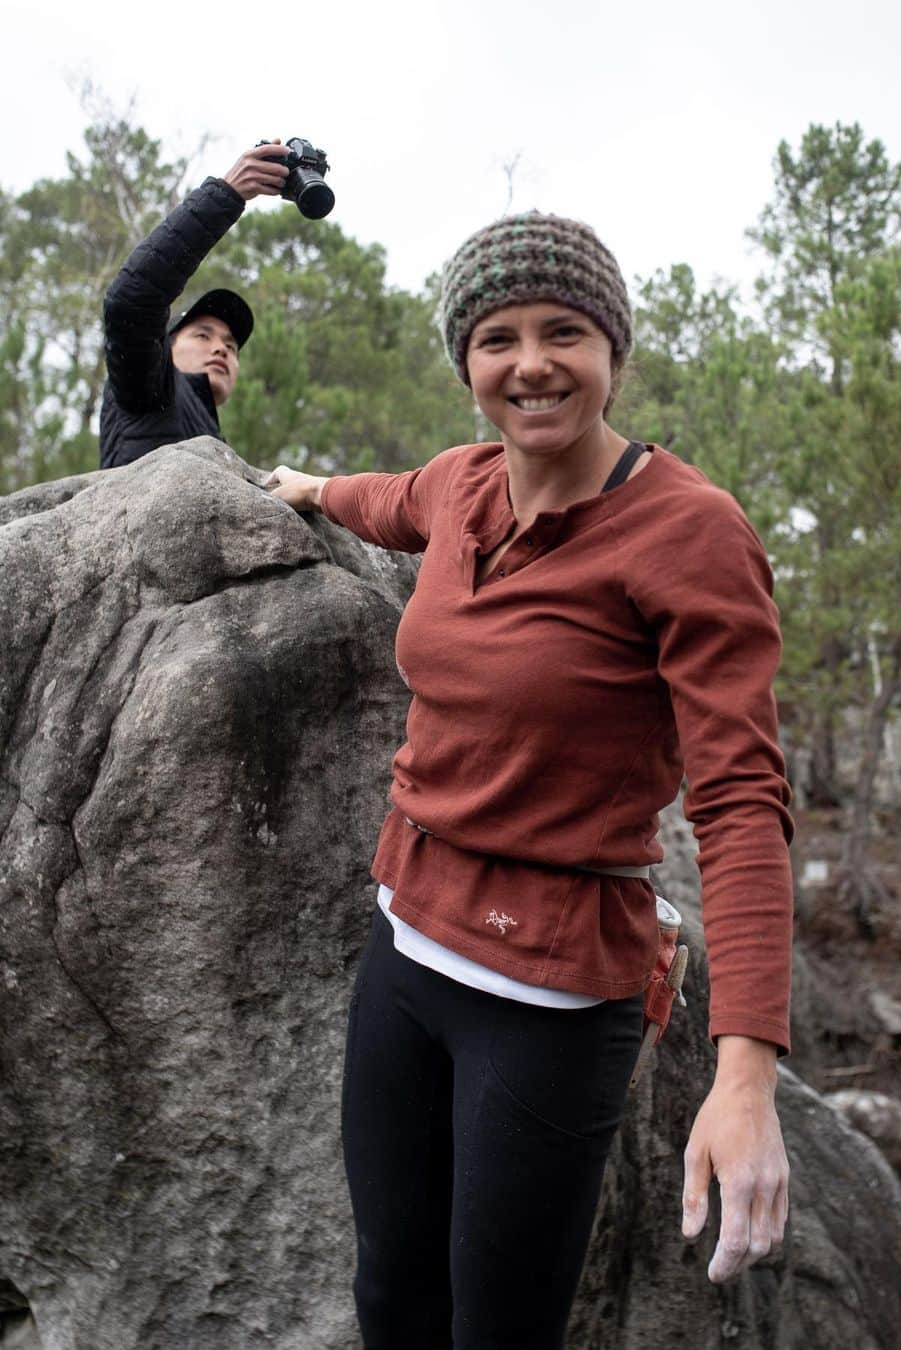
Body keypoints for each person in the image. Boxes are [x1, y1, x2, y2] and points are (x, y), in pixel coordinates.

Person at [268, 211, 794, 1350]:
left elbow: (742, 803)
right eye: (497, 337)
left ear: (614, 351)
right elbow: (385, 497)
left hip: (549, 997)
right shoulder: (461, 490)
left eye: (564, 331)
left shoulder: (690, 535)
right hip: (404, 946)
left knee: (499, 1330)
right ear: (467, 362)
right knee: (390, 1294)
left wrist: (745, 1072)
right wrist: (308, 487)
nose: (531, 363)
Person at [98, 141, 291, 470]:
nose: (221, 350)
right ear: (165, 348)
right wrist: (228, 194)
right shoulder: (151, 389)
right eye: (203, 336)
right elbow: (131, 303)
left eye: (231, 346)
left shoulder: (215, 439)